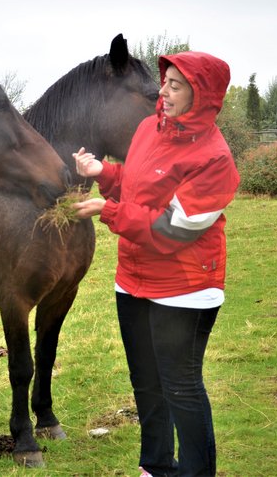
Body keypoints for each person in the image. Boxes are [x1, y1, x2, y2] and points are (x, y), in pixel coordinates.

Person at [72, 51, 240, 477]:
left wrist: (106, 211)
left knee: (180, 388)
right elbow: (136, 186)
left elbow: (172, 230)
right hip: (133, 280)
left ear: (201, 96)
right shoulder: (149, 129)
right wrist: (103, 173)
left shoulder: (215, 159)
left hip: (184, 289)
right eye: (165, 82)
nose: (163, 91)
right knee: (146, 385)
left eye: (176, 85)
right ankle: (156, 468)